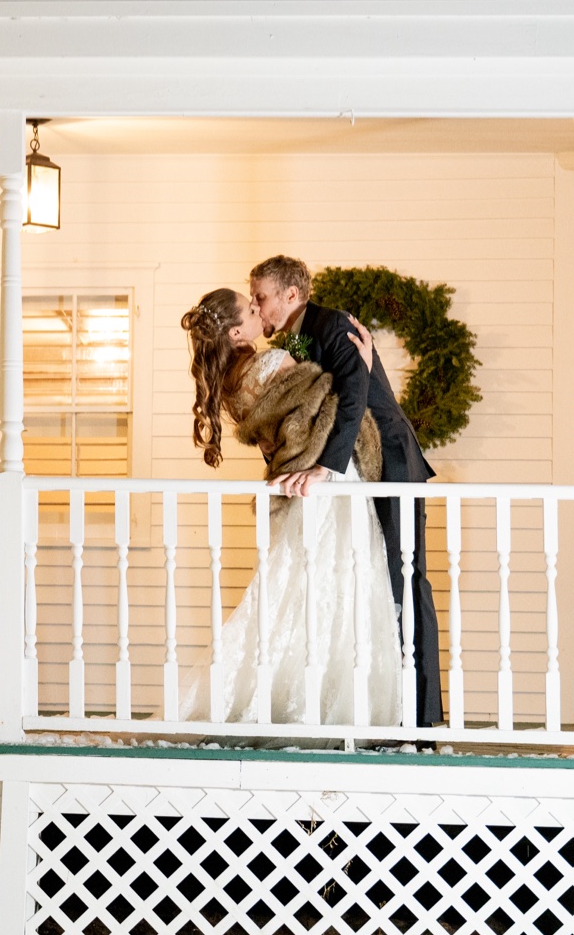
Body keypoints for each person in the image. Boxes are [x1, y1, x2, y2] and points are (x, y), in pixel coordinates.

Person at [176, 286, 400, 726]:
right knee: (342, 583)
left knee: (303, 586)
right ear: (238, 331)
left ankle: (290, 694)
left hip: (297, 481)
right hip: (327, 477)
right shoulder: (272, 363)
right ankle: (329, 702)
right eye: (251, 305)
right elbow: (331, 406)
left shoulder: (230, 386)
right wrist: (365, 367)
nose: (259, 308)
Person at [247, 255, 444, 726]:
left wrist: (325, 468)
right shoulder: (297, 337)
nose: (256, 305)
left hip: (392, 462)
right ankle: (379, 708)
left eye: (261, 296)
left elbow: (355, 393)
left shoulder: (333, 325)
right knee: (367, 581)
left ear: (291, 295)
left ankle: (420, 716)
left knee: (404, 580)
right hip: (361, 466)